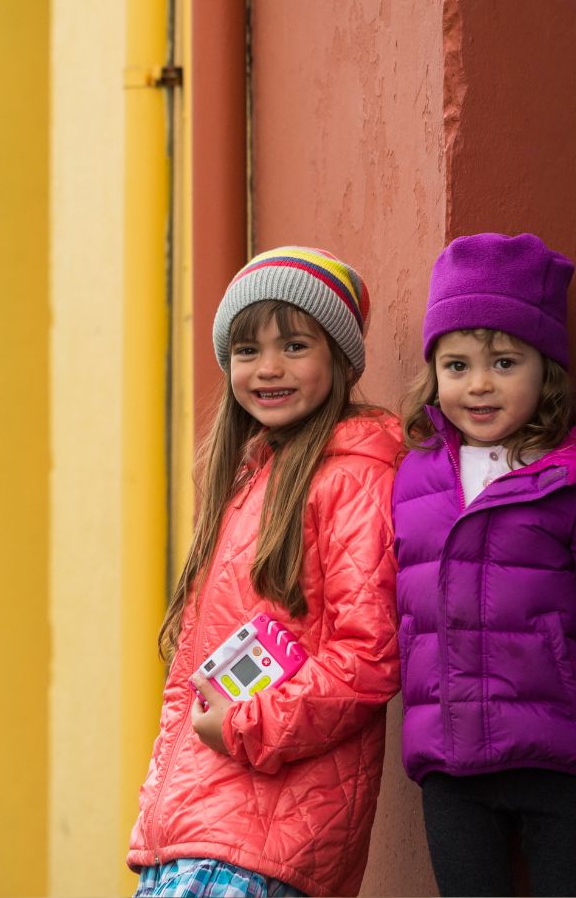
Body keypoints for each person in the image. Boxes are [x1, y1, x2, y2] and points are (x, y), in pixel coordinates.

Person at [394, 232, 576, 896]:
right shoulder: (414, 479)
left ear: (546, 368)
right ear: (434, 374)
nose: (480, 385)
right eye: (458, 365)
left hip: (563, 763)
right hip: (451, 767)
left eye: (504, 361)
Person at [128, 247, 403, 897]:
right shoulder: (247, 479)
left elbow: (368, 655)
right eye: (248, 350)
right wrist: (159, 805)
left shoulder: (353, 477)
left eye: (295, 345)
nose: (268, 368)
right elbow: (192, 679)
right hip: (198, 825)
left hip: (264, 837)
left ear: (338, 359)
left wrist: (243, 726)